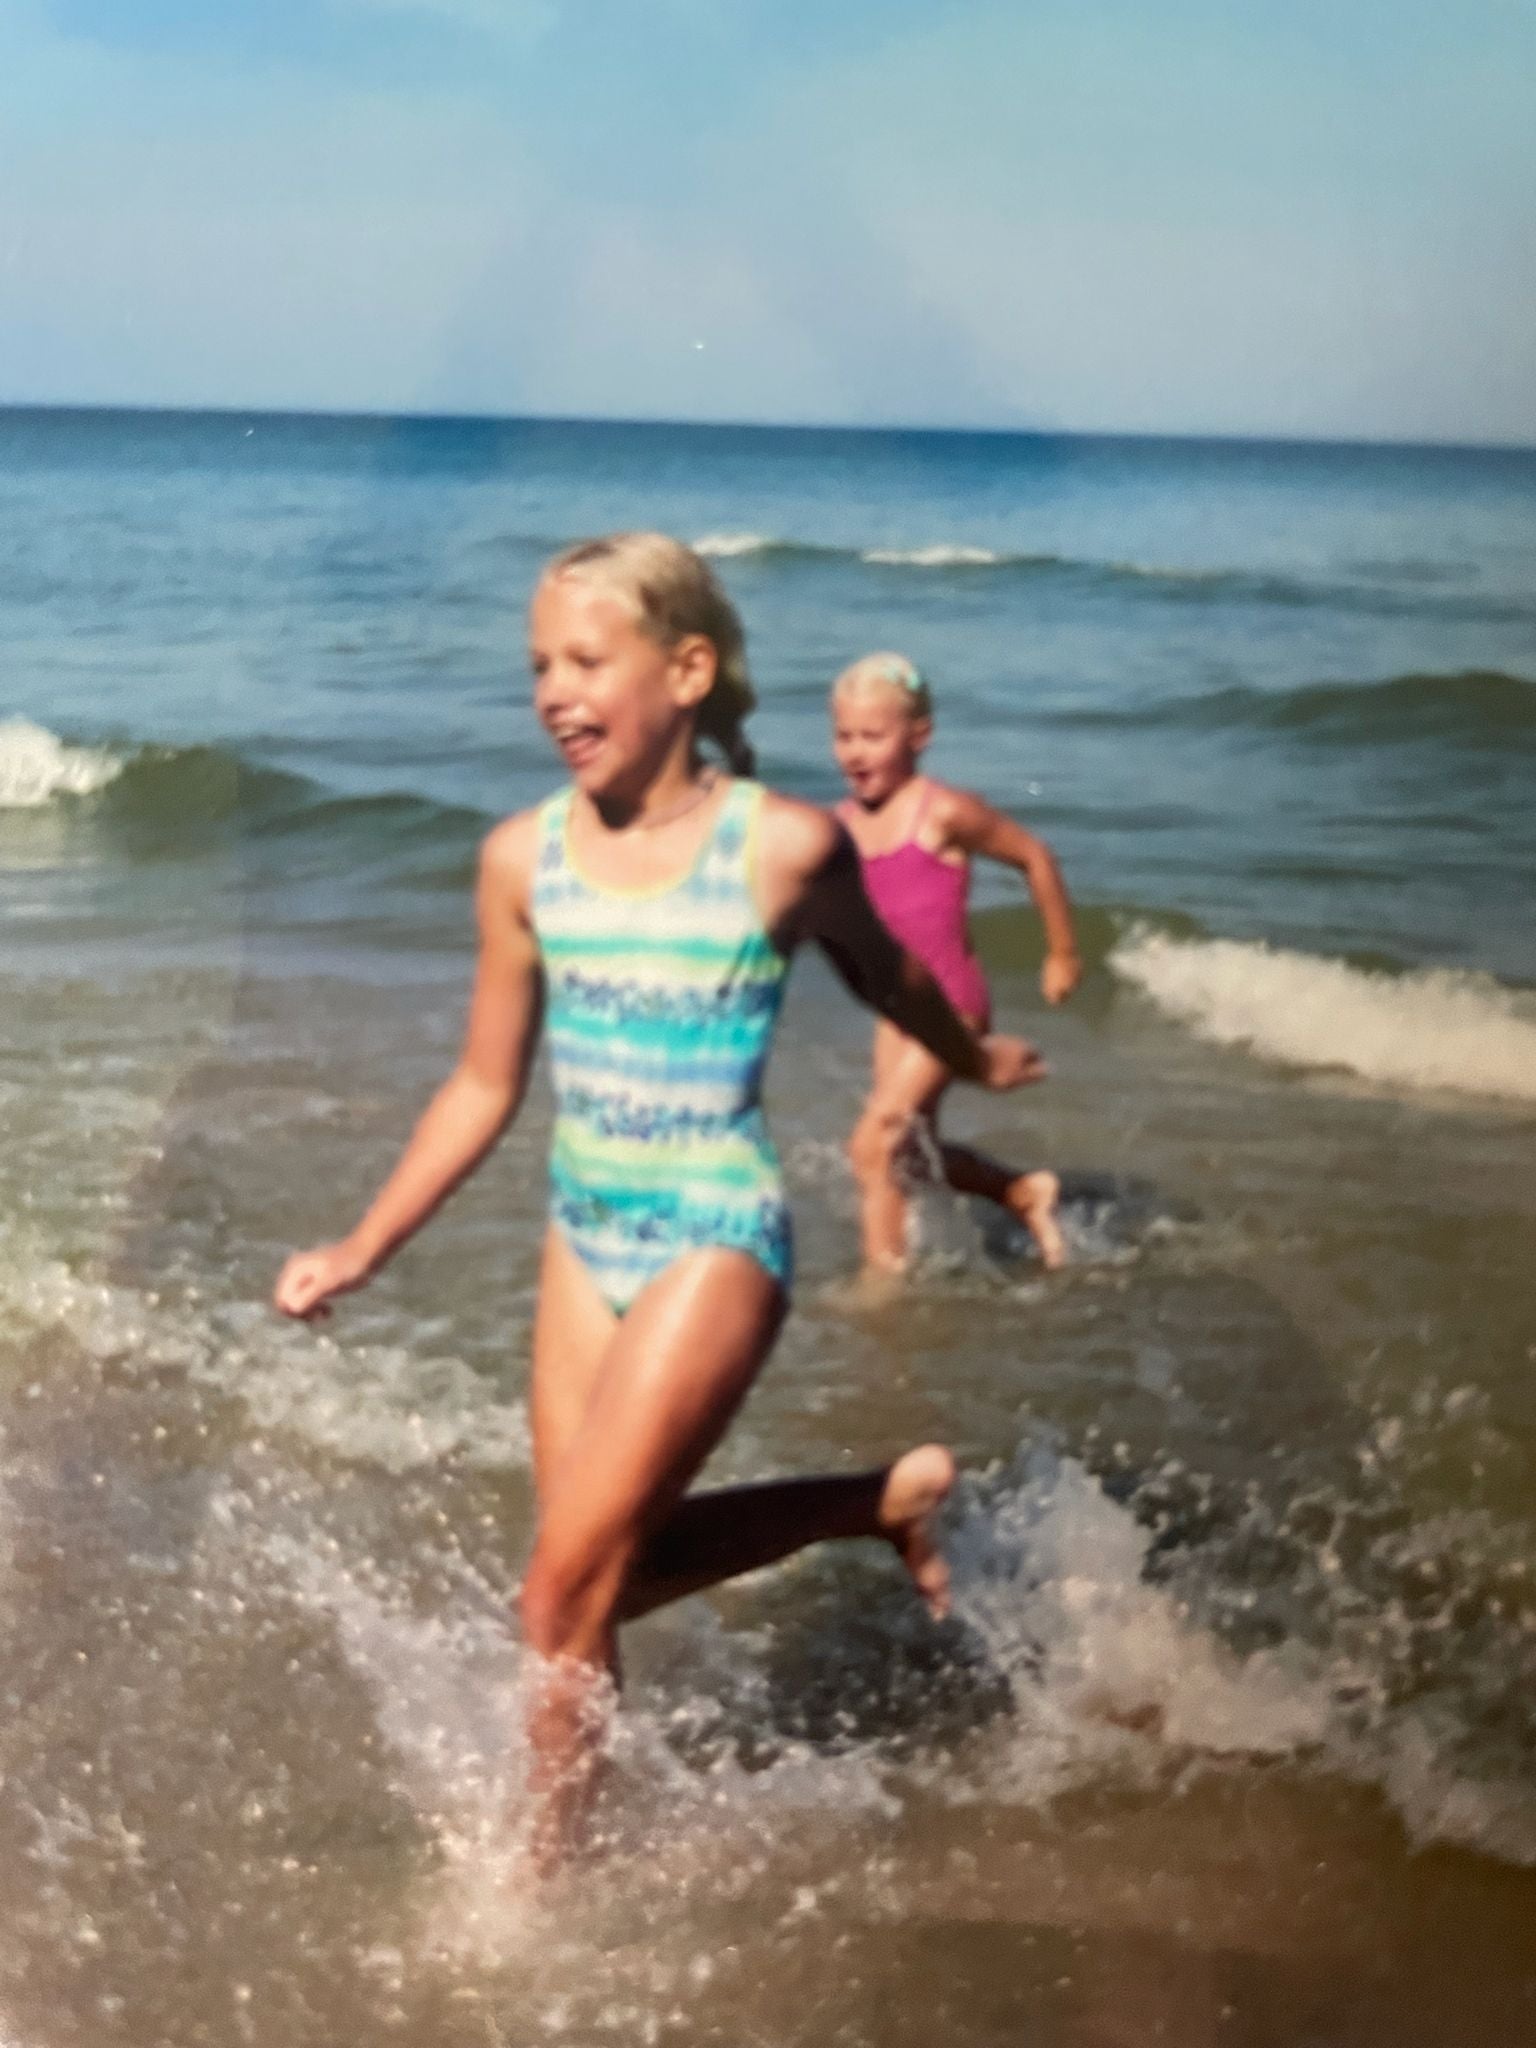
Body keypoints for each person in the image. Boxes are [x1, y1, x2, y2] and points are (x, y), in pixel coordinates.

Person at [273, 535, 1045, 1870]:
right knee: (596, 1586)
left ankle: (543, 1890)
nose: (554, 693)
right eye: (537, 667)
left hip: (714, 1235)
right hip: (586, 1233)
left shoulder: (783, 845)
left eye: (586, 660)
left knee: (553, 1590)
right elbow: (478, 1084)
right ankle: (877, 1502)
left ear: (687, 670)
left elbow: (891, 978)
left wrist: (972, 1059)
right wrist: (363, 1243)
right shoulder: (523, 859)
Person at [831, 651, 1082, 1276]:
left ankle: (881, 1290)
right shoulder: (839, 826)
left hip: (952, 1002)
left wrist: (1063, 952)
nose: (855, 752)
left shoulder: (942, 812)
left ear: (919, 736)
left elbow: (1034, 856)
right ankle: (1020, 1192)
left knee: (875, 1142)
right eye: (843, 736)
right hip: (898, 1012)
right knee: (912, 1158)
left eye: (872, 736)